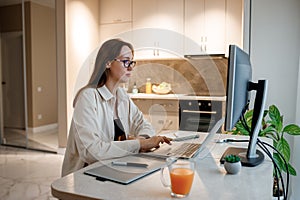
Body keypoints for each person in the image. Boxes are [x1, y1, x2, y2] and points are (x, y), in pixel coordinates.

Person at [62, 38, 171, 176]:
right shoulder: (88, 97)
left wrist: (143, 139)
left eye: (132, 62)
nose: (131, 67)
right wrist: (140, 144)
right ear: (108, 63)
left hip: (113, 168)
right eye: (126, 61)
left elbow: (144, 125)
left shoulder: (122, 95)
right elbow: (91, 152)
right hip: (85, 175)